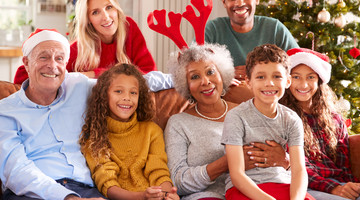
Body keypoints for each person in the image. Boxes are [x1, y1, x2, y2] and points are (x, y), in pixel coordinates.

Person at [0, 29, 104, 200]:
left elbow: (123, 83)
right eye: (44, 57)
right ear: (26, 62)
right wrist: (69, 198)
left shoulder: (78, 86)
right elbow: (16, 170)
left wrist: (164, 79)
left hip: (86, 189)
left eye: (59, 59)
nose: (52, 65)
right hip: (32, 193)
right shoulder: (5, 111)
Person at [14, 0, 156, 84]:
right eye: (95, 12)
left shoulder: (128, 27)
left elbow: (150, 73)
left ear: (116, 8)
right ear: (88, 20)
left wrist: (93, 74)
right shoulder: (78, 48)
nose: (106, 17)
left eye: (109, 7)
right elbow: (22, 75)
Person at [221, 44, 313, 200]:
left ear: (288, 81)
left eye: (277, 76)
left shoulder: (291, 119)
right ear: (248, 81)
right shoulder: (236, 117)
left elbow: (298, 171)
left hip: (283, 184)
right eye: (260, 77)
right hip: (245, 188)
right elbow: (236, 174)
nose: (269, 83)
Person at [79, 63, 179, 200]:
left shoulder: (152, 131)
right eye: (118, 91)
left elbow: (159, 171)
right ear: (104, 95)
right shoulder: (95, 136)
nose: (127, 97)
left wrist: (167, 194)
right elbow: (108, 186)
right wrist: (142, 196)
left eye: (133, 92)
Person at [280, 48, 360, 200]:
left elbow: (344, 166)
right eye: (296, 77)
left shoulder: (335, 119)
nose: (304, 85)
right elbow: (299, 168)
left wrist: (351, 186)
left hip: (339, 184)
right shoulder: (284, 118)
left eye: (310, 77)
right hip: (307, 186)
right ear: (288, 80)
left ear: (319, 81)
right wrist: (334, 188)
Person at [164, 43, 238, 200]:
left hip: (248, 192)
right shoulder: (178, 123)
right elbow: (177, 181)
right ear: (186, 85)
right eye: (195, 77)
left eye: (210, 72)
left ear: (221, 75)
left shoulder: (245, 113)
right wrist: (225, 163)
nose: (205, 81)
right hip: (206, 197)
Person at [205, 0, 298, 80]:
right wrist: (225, 74)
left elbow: (299, 64)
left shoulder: (274, 28)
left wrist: (260, 72)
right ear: (224, 2)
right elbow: (193, 66)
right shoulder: (213, 29)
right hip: (224, 96)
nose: (240, 3)